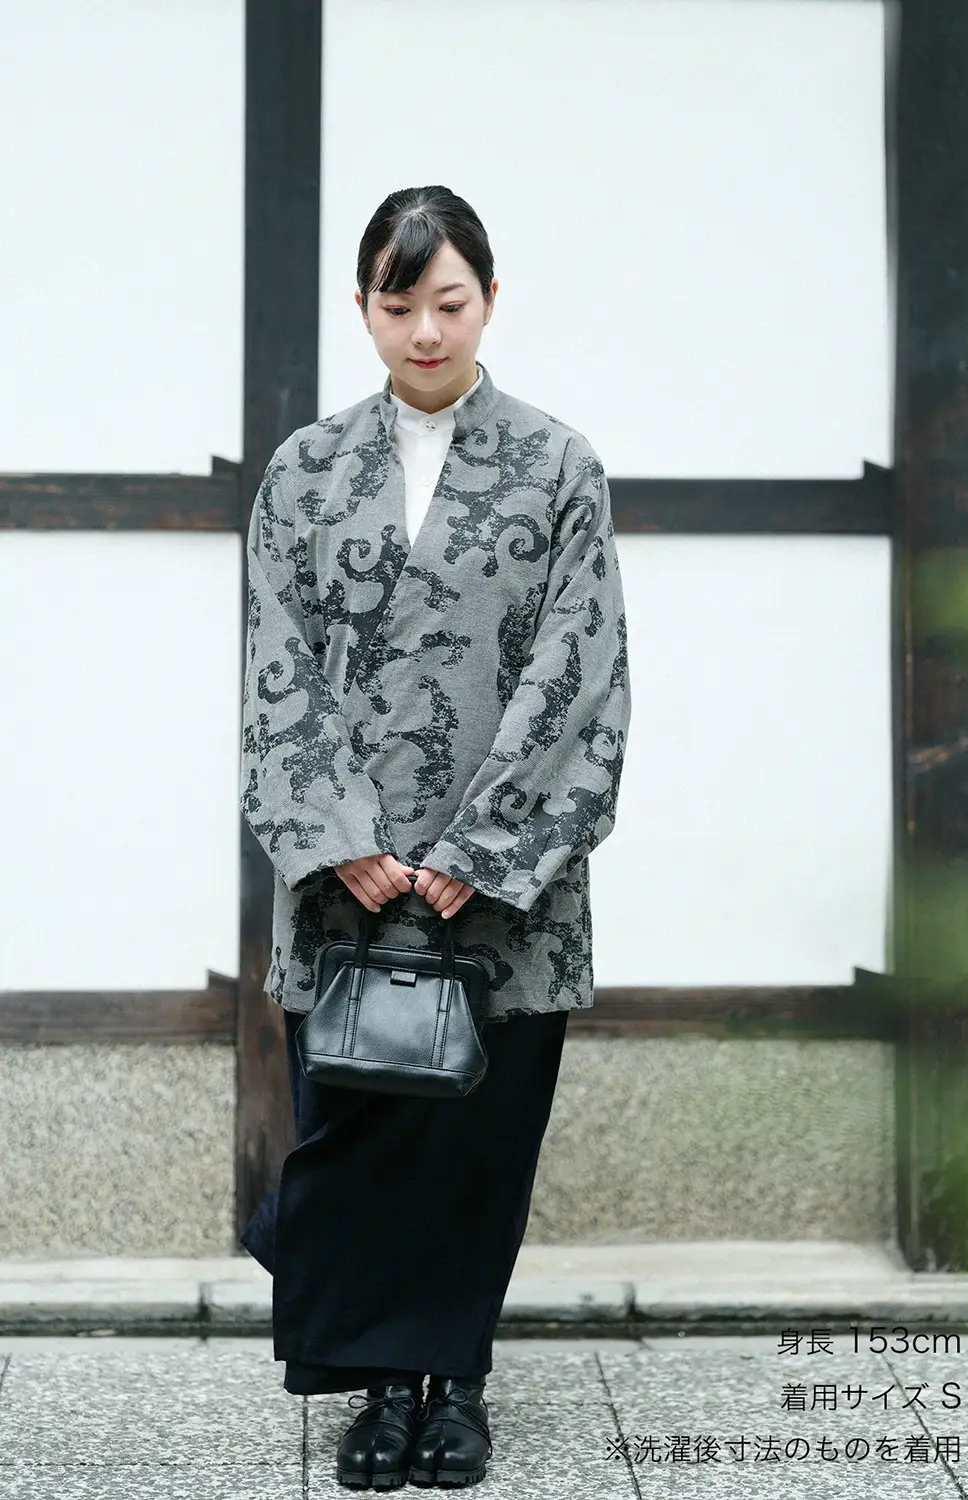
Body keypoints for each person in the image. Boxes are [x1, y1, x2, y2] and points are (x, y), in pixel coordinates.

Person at [238, 185, 631, 1490]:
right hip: (347, 885)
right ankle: (378, 1390)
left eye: (448, 303)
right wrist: (341, 837)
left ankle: (451, 1385)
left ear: (490, 301)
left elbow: (581, 672)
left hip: (502, 889)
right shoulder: (304, 471)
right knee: (357, 1132)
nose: (423, 330)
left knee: (476, 1146)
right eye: (397, 304)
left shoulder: (558, 465)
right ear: (362, 306)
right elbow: (275, 671)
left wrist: (482, 848)